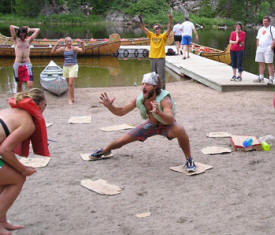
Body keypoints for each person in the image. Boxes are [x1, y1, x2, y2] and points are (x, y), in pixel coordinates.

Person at [90, 72, 196, 172]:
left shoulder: (164, 99)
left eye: (148, 84)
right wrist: (110, 106)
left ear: (155, 87)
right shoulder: (140, 99)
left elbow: (171, 119)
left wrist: (159, 113)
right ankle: (105, 151)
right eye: (143, 84)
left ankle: (189, 159)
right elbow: (121, 112)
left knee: (180, 130)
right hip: (151, 125)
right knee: (121, 140)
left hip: (166, 126)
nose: (143, 87)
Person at [0, 88, 50, 235]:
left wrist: (19, 167)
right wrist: (24, 170)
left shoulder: (9, 112)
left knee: (5, 179)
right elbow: (4, 151)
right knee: (18, 179)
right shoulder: (28, 123)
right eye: (45, 105)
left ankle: (2, 220)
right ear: (40, 105)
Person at [139, 14, 173, 90]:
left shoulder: (163, 36)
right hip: (152, 58)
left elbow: (169, 29)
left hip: (160, 58)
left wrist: (170, 19)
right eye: (155, 29)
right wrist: (140, 19)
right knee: (153, 77)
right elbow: (143, 28)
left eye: (157, 28)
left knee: (161, 76)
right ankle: (154, 91)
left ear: (160, 29)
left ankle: (163, 91)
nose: (156, 30)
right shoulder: (151, 35)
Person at [51, 37, 85, 104]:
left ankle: (70, 99)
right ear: (65, 43)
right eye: (67, 41)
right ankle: (72, 98)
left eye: (70, 41)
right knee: (70, 85)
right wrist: (57, 44)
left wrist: (82, 44)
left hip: (73, 66)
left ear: (71, 42)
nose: (69, 43)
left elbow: (82, 51)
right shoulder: (63, 49)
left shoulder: (74, 48)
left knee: (70, 83)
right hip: (65, 67)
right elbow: (53, 52)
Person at [9, 25, 40, 93]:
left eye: (24, 33)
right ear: (19, 33)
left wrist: (29, 29)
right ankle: (18, 99)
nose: (22, 34)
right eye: (21, 33)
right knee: (19, 85)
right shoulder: (16, 40)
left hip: (27, 64)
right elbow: (11, 27)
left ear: (26, 33)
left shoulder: (28, 41)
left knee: (30, 84)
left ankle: (29, 98)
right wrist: (20, 28)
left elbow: (38, 29)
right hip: (17, 64)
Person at [254, 16, 275, 84]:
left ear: (269, 22)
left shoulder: (272, 29)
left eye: (266, 21)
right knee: (260, 63)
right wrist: (258, 46)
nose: (264, 22)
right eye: (264, 21)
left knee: (269, 63)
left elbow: (274, 39)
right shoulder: (261, 29)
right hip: (260, 48)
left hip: (268, 48)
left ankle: (271, 79)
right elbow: (258, 38)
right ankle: (261, 77)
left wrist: (271, 47)